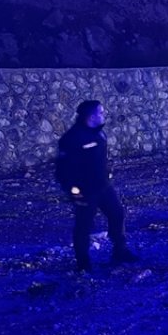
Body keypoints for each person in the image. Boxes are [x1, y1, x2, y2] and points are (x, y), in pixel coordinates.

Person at [54, 100, 136, 273]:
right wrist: (73, 191)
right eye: (100, 113)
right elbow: (62, 170)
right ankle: (83, 264)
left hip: (103, 187)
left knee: (117, 213)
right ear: (91, 117)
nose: (103, 115)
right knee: (84, 225)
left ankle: (120, 251)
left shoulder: (99, 134)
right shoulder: (72, 139)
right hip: (85, 191)